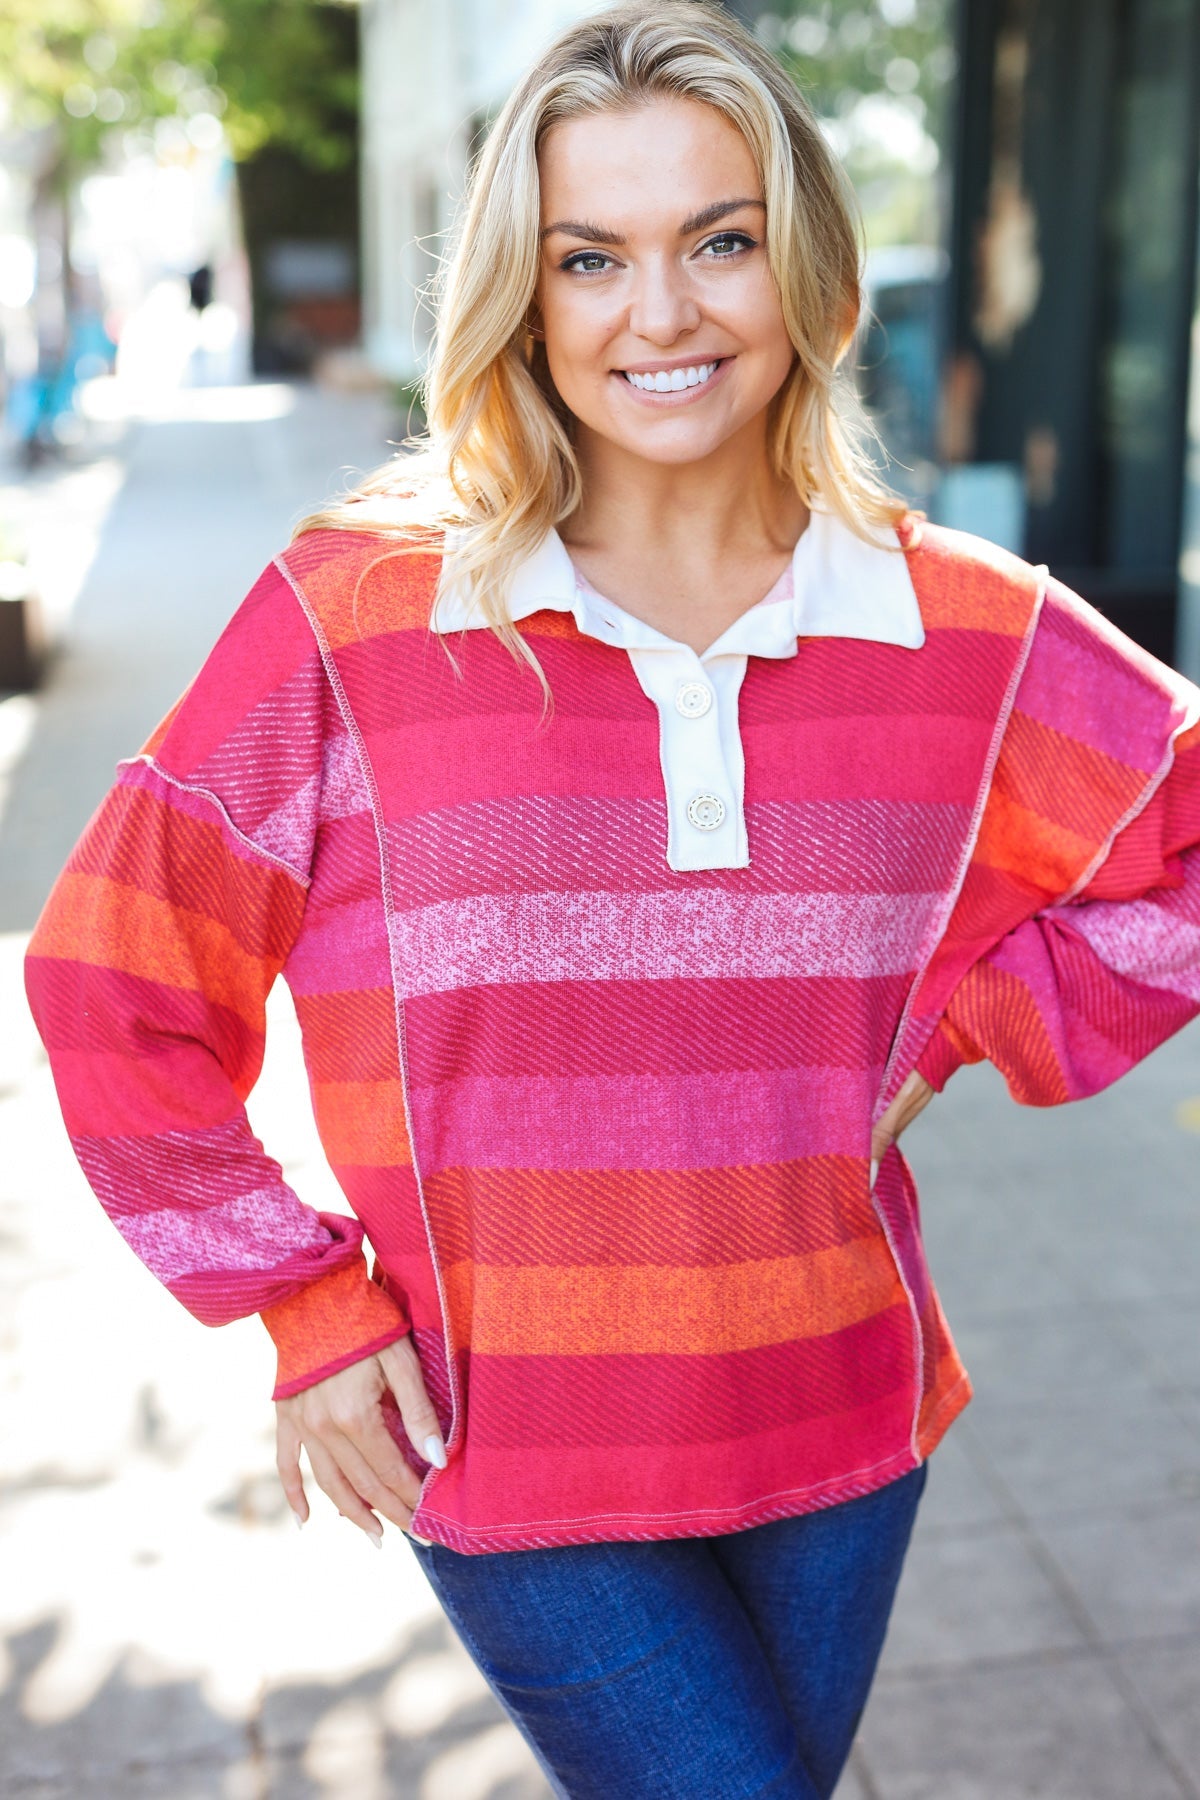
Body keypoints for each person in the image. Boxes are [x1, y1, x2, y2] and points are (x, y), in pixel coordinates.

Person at [24, 5, 1200, 1796]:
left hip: (840, 1414)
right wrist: (303, 1304)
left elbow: (1178, 845)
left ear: (799, 265)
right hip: (507, 1442)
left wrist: (972, 1024)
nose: (662, 314)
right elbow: (114, 970)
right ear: (530, 294)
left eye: (719, 241)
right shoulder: (359, 621)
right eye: (594, 258)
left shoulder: (963, 627)